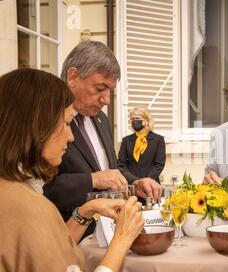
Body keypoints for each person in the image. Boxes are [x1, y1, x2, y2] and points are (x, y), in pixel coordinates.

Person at [0, 68, 144, 272]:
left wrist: (85, 211)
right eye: (67, 123)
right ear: (37, 126)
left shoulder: (11, 189)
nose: (71, 136)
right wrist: (122, 238)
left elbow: (40, 256)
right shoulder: (26, 205)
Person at [43, 40, 161, 237]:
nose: (106, 100)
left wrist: (136, 183)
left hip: (108, 233)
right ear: (73, 77)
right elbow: (45, 188)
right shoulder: (45, 117)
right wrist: (93, 180)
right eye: (100, 88)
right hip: (66, 237)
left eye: (110, 91)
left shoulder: (101, 118)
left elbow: (111, 168)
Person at [118, 108, 166, 185]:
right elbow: (121, 164)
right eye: (132, 119)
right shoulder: (126, 140)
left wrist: (145, 181)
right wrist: (134, 180)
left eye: (137, 118)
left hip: (151, 184)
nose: (134, 121)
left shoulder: (158, 139)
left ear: (146, 120)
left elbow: (159, 164)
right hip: (131, 184)